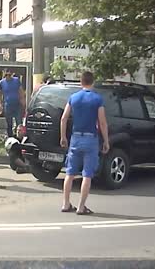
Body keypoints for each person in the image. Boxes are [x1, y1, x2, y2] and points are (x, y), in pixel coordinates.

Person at [60, 71, 110, 215]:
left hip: (75, 138)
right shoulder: (97, 99)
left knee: (69, 172)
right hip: (90, 139)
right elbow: (102, 122)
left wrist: (63, 136)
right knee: (87, 174)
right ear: (92, 82)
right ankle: (81, 207)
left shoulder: (73, 98)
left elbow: (64, 118)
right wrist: (106, 140)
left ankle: (65, 203)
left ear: (80, 82)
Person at [0, 68, 26, 137]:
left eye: (9, 75)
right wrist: (0, 104)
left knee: (19, 122)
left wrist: (23, 102)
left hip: (17, 104)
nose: (8, 76)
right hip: (7, 105)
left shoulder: (16, 80)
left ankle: (19, 137)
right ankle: (10, 137)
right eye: (6, 75)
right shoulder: (2, 82)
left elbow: (21, 91)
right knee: (9, 123)